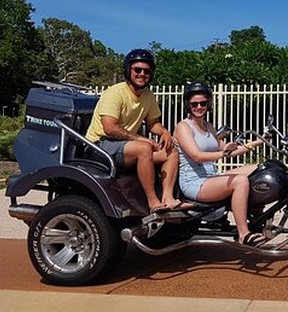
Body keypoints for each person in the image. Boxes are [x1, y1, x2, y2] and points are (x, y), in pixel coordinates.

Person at [85, 48, 184, 214]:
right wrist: (143, 140)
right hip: (100, 145)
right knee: (144, 148)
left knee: (171, 150)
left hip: (126, 146)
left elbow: (153, 123)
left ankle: (167, 198)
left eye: (146, 71)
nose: (142, 74)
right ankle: (153, 202)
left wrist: (165, 133)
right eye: (137, 70)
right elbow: (110, 128)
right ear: (128, 70)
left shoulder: (148, 96)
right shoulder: (115, 93)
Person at [174, 81, 265, 246]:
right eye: (194, 104)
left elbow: (228, 151)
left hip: (211, 177)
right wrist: (223, 153)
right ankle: (244, 234)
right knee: (240, 181)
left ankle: (258, 219)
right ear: (188, 105)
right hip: (194, 183)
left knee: (259, 170)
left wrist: (258, 142)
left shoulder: (208, 127)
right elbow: (196, 156)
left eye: (203, 103)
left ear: (208, 103)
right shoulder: (183, 127)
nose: (199, 107)